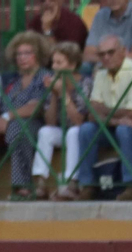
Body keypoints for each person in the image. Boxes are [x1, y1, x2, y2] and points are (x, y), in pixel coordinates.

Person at [72, 35, 132, 200]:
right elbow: (92, 113)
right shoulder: (101, 74)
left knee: (125, 129)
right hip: (113, 126)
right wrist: (115, 118)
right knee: (87, 129)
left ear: (123, 52)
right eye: (102, 54)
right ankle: (88, 185)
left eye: (111, 52)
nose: (106, 58)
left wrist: (104, 110)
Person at [0, 31, 53, 200]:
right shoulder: (14, 80)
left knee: (17, 128)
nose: (22, 57)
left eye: (27, 53)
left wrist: (8, 116)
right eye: (19, 54)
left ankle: (23, 186)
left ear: (38, 54)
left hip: (37, 122)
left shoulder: (44, 76)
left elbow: (36, 106)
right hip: (11, 123)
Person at [43, 41, 92, 200]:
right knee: (45, 132)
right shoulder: (54, 83)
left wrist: (64, 93)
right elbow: (50, 122)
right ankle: (40, 183)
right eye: (53, 62)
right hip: (60, 129)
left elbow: (79, 121)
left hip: (79, 130)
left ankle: (71, 184)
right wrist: (53, 95)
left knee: (73, 132)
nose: (54, 67)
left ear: (71, 65)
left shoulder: (85, 83)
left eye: (59, 63)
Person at [84, 0, 132, 64]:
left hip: (130, 68)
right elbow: (87, 55)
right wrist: (111, 59)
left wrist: (107, 59)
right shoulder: (101, 15)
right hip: (103, 67)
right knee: (84, 66)